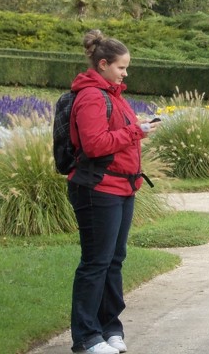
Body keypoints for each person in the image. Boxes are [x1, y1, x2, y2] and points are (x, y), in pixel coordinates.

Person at [68, 30, 159, 354]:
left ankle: (110, 328)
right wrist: (138, 131)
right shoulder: (92, 96)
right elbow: (94, 145)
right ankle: (86, 337)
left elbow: (116, 136)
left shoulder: (113, 95)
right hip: (98, 189)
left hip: (121, 187)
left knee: (114, 260)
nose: (125, 73)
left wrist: (138, 130)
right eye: (121, 67)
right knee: (96, 263)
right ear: (103, 64)